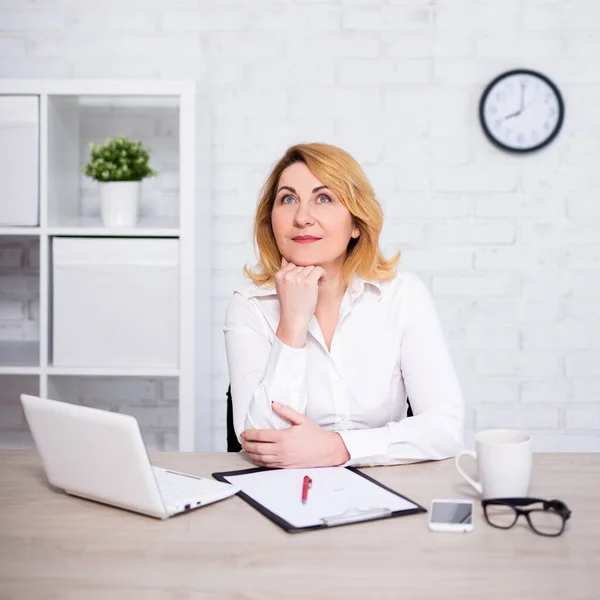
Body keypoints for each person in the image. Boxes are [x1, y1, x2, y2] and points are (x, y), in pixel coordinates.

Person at [223, 142, 464, 469]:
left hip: (386, 487)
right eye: (288, 199)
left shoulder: (403, 296)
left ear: (355, 223)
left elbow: (445, 427)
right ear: (271, 220)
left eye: (324, 198)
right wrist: (292, 326)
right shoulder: (250, 306)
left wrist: (338, 448)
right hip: (281, 494)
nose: (302, 217)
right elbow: (262, 442)